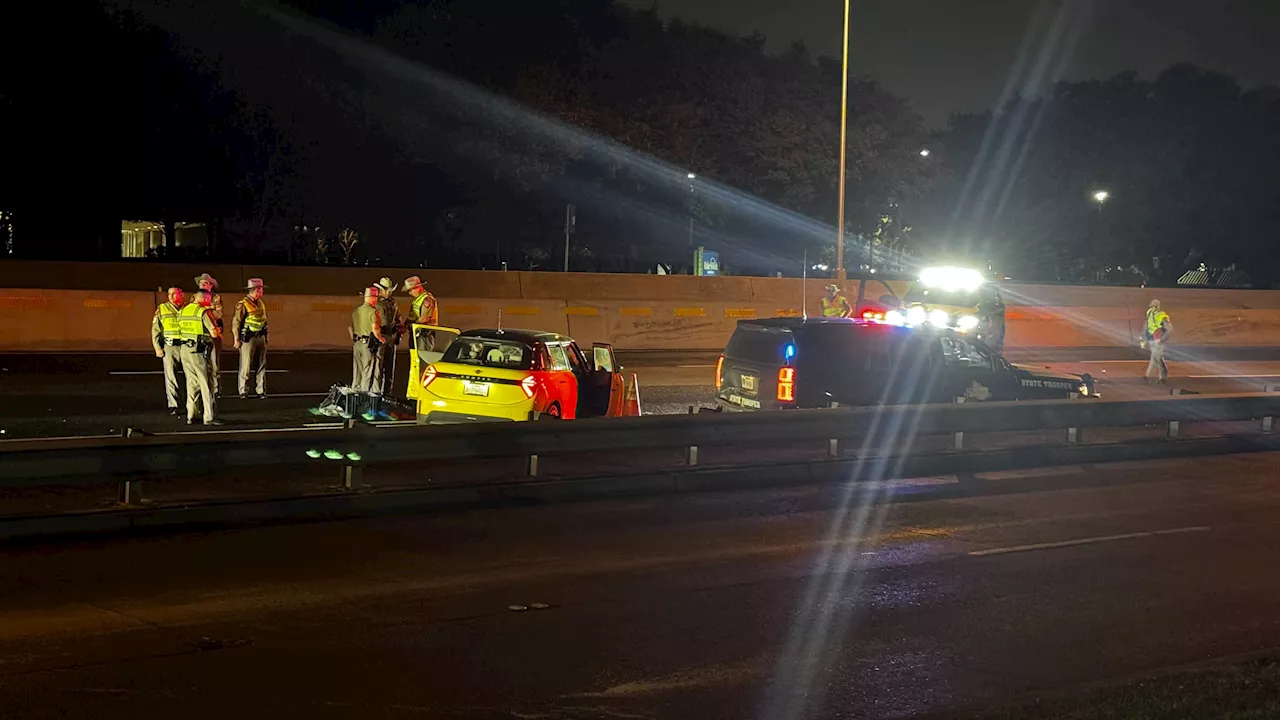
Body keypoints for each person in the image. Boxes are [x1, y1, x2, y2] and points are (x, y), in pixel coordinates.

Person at [178, 289, 222, 425]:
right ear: (205, 299)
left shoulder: (183, 310)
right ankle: (209, 417)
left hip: (185, 350)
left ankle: (191, 415)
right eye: (208, 300)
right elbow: (214, 333)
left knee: (192, 383)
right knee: (206, 383)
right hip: (199, 350)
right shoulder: (203, 312)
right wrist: (218, 330)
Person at [151, 286, 186, 415]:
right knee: (171, 376)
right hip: (170, 346)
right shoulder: (162, 308)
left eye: (174, 294)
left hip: (186, 345)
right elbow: (156, 329)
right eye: (169, 294)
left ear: (181, 295)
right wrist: (157, 347)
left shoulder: (188, 308)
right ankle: (174, 405)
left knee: (191, 376)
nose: (171, 297)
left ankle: (192, 403)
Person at [232, 278, 269, 399]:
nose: (262, 292)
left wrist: (266, 336)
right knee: (246, 364)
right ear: (256, 290)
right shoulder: (243, 304)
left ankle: (261, 390)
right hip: (249, 338)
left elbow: (264, 320)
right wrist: (236, 338)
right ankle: (243, 390)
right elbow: (236, 322)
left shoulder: (261, 303)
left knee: (261, 364)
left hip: (260, 336)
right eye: (260, 289)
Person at [349, 286, 385, 393]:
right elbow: (375, 328)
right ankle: (364, 395)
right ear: (373, 298)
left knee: (357, 370)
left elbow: (350, 327)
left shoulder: (356, 311)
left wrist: (354, 339)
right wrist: (381, 338)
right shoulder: (373, 312)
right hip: (367, 345)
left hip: (357, 344)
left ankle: (354, 391)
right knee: (367, 370)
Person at [194, 272, 224, 397]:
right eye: (201, 283)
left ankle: (216, 388)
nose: (203, 285)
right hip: (198, 333)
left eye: (206, 283)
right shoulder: (194, 297)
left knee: (214, 363)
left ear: (211, 286)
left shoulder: (215, 298)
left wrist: (205, 312)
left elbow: (218, 314)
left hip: (212, 332)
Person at [374, 277, 402, 395]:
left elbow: (398, 317)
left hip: (392, 336)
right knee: (378, 366)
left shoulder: (393, 302)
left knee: (390, 366)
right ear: (381, 290)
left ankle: (387, 392)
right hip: (381, 335)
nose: (389, 292)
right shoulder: (376, 303)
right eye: (387, 290)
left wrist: (399, 329)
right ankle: (376, 392)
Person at [1142, 299, 1173, 384]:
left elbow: (1169, 329)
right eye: (1151, 307)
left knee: (1154, 358)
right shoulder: (1149, 313)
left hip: (1158, 339)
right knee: (1158, 358)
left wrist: (1161, 339)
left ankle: (1148, 376)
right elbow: (1146, 325)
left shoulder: (1163, 316)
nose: (1152, 308)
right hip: (1151, 338)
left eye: (1154, 307)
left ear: (1157, 307)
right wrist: (1145, 338)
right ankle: (1164, 376)